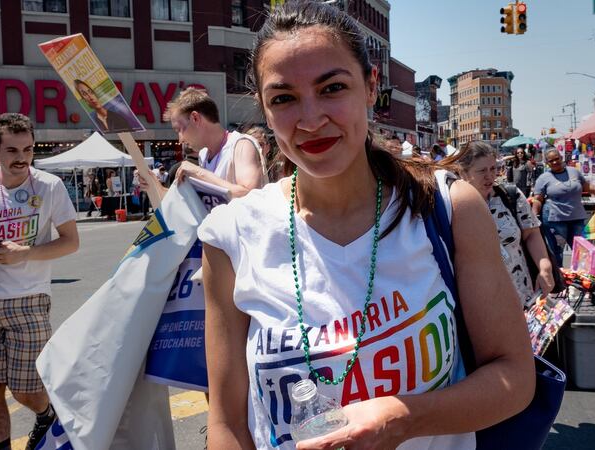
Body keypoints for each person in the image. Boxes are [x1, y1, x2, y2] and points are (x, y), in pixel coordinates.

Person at [197, 3, 534, 449]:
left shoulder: (448, 207)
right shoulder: (231, 234)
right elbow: (226, 424)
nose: (311, 118)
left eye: (332, 87)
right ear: (263, 107)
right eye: (284, 98)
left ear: (371, 87)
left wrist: (403, 418)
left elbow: (514, 375)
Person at [0, 113, 79, 450]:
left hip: (29, 298)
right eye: (11, 150)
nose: (22, 158)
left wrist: (23, 253)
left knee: (24, 389)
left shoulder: (49, 186)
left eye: (28, 149)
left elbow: (71, 241)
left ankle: (47, 412)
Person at [454, 141, 555, 307]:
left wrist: (544, 266)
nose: (490, 176)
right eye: (481, 171)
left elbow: (531, 234)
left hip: (522, 294)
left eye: (493, 168)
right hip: (482, 303)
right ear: (463, 173)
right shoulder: (454, 207)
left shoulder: (509, 196)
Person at [161, 87, 267, 198]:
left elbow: (249, 194)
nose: (180, 139)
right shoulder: (204, 155)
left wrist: (199, 173)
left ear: (195, 118)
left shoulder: (242, 145)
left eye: (180, 129)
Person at [532, 148, 595, 266]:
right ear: (547, 163)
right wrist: (534, 217)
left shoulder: (574, 172)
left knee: (581, 251)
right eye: (550, 161)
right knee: (557, 252)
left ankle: (580, 279)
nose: (554, 162)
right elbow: (538, 199)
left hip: (576, 218)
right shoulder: (544, 178)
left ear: (561, 158)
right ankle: (559, 280)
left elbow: (587, 187)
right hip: (555, 220)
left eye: (556, 159)